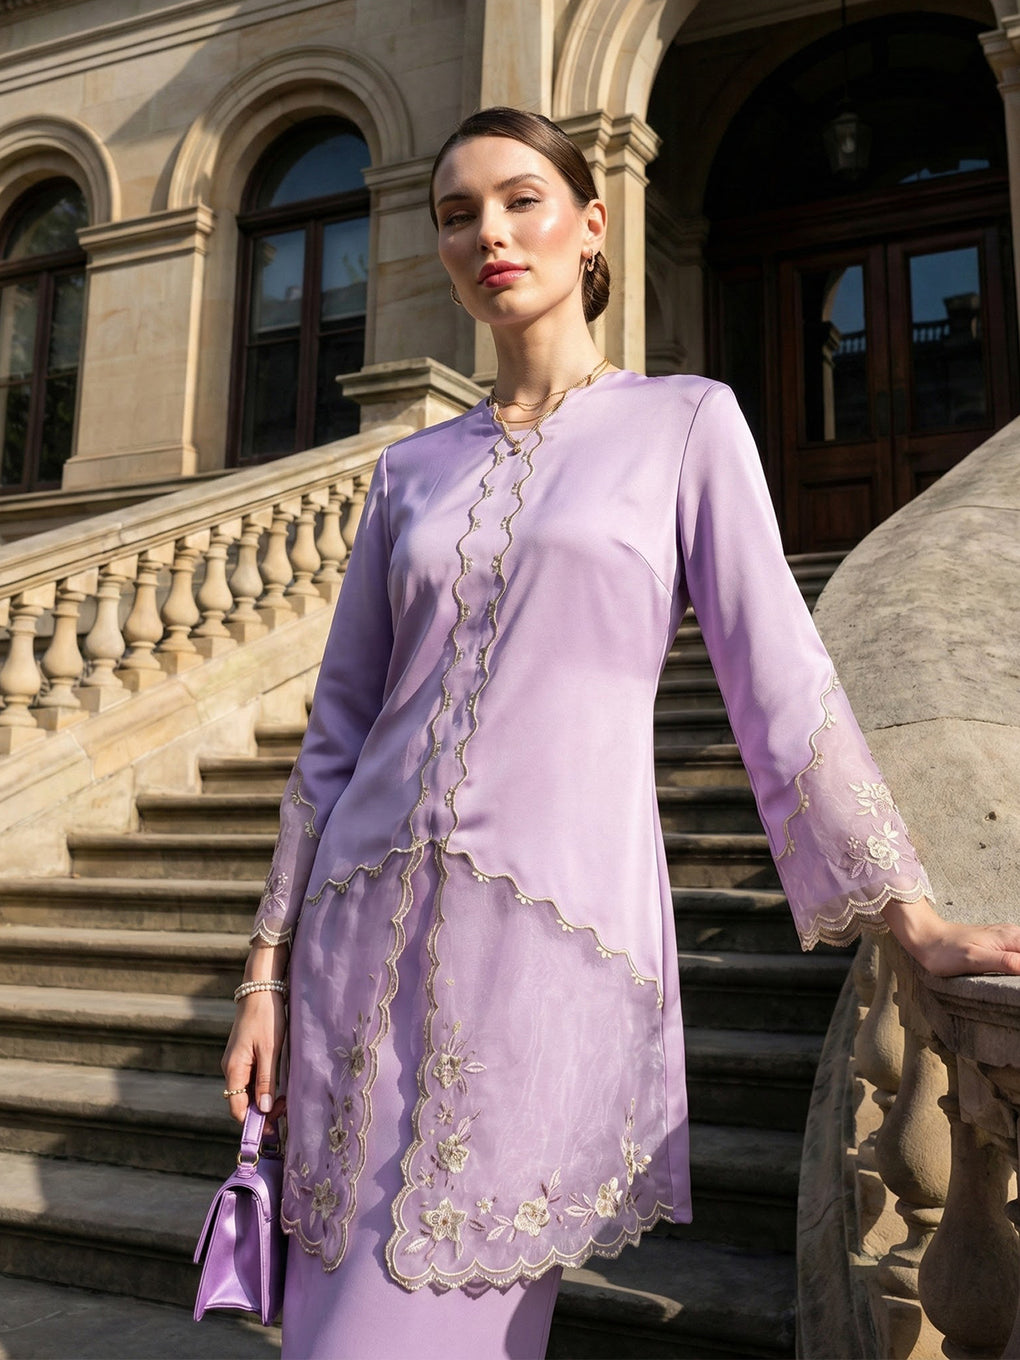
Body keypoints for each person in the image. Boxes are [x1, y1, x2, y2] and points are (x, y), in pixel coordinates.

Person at [221, 106, 1020, 1360]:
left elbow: (780, 684)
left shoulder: (685, 425)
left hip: (545, 945)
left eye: (520, 199)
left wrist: (909, 915)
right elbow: (334, 738)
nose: (489, 233)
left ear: (592, 226)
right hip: (350, 950)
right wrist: (265, 969)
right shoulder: (406, 475)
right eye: (456, 213)